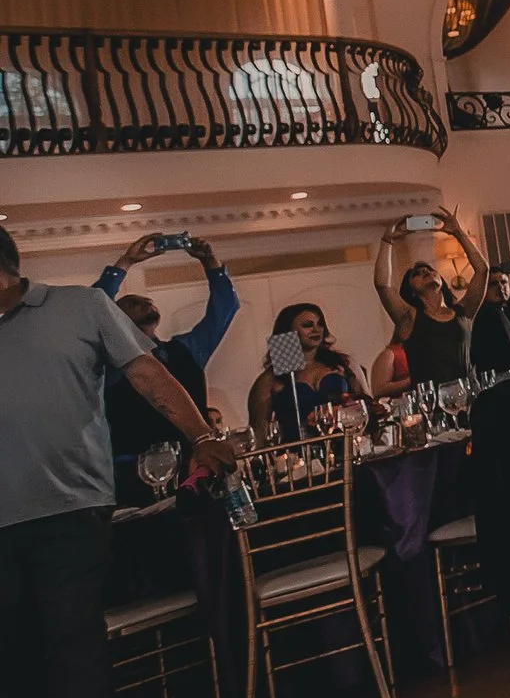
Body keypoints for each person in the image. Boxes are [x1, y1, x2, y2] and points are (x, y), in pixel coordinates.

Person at [0, 224, 238, 698]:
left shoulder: (81, 306)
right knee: (12, 663)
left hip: (70, 513)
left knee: (72, 649)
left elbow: (151, 379)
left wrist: (204, 438)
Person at [93, 232, 235, 503]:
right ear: (116, 318)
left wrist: (211, 264)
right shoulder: (110, 362)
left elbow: (224, 309)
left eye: (147, 301)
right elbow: (92, 308)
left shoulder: (186, 350)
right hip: (134, 471)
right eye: (132, 303)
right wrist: (124, 263)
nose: (144, 302)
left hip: (193, 463)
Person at [373, 211, 486, 386]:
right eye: (416, 274)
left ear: (441, 279)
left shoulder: (464, 310)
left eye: (429, 270)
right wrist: (387, 240)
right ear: (412, 291)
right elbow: (382, 285)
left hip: (470, 395)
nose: (425, 272)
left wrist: (458, 232)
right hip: (433, 402)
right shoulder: (409, 318)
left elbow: (482, 270)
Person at [246, 302, 366, 441]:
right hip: (298, 452)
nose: (316, 329)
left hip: (346, 444)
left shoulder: (342, 363)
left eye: (320, 324)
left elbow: (364, 403)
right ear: (289, 331)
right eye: (308, 325)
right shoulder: (270, 379)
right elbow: (259, 429)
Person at [468, 268, 510, 378]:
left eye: (504, 282)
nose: (500, 287)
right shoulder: (477, 316)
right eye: (493, 284)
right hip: (496, 379)